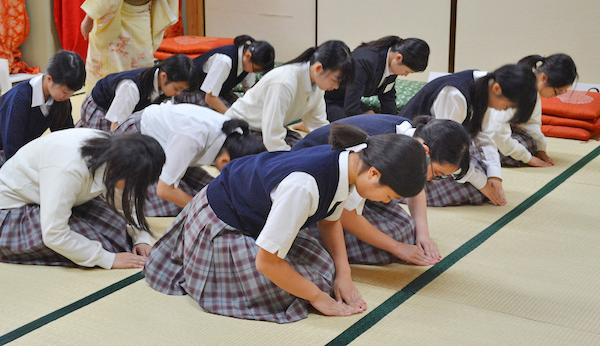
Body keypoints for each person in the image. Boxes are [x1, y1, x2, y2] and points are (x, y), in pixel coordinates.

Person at [144, 123, 428, 323]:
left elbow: (330, 221)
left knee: (325, 269)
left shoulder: (350, 163)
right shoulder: (305, 186)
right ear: (375, 174)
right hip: (222, 222)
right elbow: (266, 263)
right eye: (389, 195)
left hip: (255, 216)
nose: (387, 202)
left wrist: (344, 274)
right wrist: (318, 298)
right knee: (288, 293)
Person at [293, 114, 470, 265]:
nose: (432, 179)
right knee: (394, 240)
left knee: (407, 229)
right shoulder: (385, 144)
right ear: (426, 150)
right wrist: (397, 248)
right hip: (311, 191)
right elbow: (345, 214)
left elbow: (415, 189)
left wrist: (424, 235)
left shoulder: (412, 140)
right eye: (437, 173)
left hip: (357, 189)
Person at [0, 128, 165, 269]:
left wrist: (141, 239)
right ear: (123, 170)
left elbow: (127, 204)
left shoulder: (118, 154)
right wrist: (109, 259)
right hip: (15, 206)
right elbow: (54, 234)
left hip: (56, 196)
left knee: (119, 235)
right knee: (105, 247)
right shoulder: (68, 167)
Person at [400, 64, 538, 206]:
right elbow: (445, 148)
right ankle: (390, 190)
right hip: (417, 152)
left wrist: (495, 176)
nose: (504, 110)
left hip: (445, 152)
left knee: (482, 177)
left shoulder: (485, 88)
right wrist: (482, 184)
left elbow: (484, 136)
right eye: (507, 106)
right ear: (497, 88)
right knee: (472, 190)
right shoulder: (455, 94)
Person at [114, 101, 265, 216]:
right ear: (225, 160)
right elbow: (164, 190)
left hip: (175, 145)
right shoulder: (193, 136)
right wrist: (205, 213)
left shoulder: (236, 134)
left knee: (213, 192)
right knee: (173, 206)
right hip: (138, 138)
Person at [80, 0, 197, 88]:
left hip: (141, 15)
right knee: (107, 62)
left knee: (142, 61)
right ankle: (102, 100)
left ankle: (136, 102)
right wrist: (90, 17)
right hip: (115, 12)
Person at [225, 40, 354, 151]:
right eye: (335, 80)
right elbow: (272, 137)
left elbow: (318, 124)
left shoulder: (317, 85)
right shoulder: (284, 82)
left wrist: (337, 147)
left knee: (306, 148)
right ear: (318, 68)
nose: (336, 87)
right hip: (241, 128)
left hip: (265, 129)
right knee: (293, 157)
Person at [492, 54, 578, 167]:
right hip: (477, 126)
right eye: (557, 91)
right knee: (515, 151)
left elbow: (532, 122)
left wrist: (540, 150)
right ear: (544, 78)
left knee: (532, 143)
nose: (556, 96)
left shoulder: (533, 87)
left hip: (498, 126)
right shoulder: (518, 86)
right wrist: (527, 158)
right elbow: (497, 128)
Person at [0, 50, 86, 163]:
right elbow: (12, 148)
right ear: (49, 79)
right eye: (65, 92)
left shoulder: (60, 99)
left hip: (24, 150)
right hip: (6, 151)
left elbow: (65, 136)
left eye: (72, 93)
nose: (68, 97)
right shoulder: (20, 99)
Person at [77, 54, 197, 131]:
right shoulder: (131, 87)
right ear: (164, 76)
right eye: (177, 89)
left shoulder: (163, 87)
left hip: (120, 111)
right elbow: (116, 127)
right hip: (100, 110)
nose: (178, 94)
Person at [325, 36, 430, 122]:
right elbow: (351, 108)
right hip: (332, 100)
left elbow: (387, 96)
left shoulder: (391, 63)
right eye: (407, 72)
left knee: (374, 117)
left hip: (348, 99)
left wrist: (393, 121)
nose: (405, 75)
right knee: (364, 127)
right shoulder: (364, 62)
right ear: (398, 58)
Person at [175, 35, 275, 113]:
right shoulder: (224, 61)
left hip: (219, 93)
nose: (254, 72)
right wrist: (232, 116)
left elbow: (248, 90)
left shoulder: (248, 61)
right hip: (192, 92)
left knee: (241, 111)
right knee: (229, 119)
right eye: (255, 70)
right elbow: (210, 98)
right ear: (248, 55)